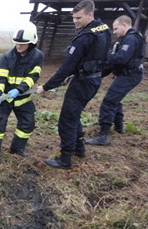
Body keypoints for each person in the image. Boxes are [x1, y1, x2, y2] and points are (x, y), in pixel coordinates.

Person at [37, 0, 111, 169]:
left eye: (78, 18)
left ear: (90, 15)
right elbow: (97, 58)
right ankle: (79, 148)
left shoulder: (84, 37)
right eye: (73, 18)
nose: (75, 21)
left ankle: (65, 158)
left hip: (83, 83)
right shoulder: (103, 30)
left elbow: (66, 66)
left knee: (67, 119)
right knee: (75, 114)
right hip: (93, 79)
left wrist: (46, 86)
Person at [0, 22, 44, 164]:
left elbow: (33, 77)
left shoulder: (38, 56)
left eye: (22, 44)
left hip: (23, 98)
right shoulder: (7, 56)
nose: (18, 46)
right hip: (5, 98)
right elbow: (0, 77)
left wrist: (19, 89)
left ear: (31, 43)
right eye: (17, 43)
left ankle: (17, 148)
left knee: (27, 124)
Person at [86, 15, 145, 146]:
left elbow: (120, 58)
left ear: (124, 25)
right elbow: (115, 64)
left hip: (130, 75)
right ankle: (119, 127)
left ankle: (103, 135)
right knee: (115, 98)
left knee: (109, 100)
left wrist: (108, 56)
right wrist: (98, 74)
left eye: (116, 28)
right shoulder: (128, 38)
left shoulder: (131, 38)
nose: (114, 32)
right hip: (128, 74)